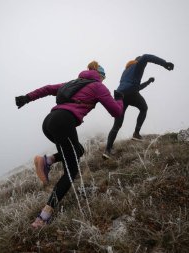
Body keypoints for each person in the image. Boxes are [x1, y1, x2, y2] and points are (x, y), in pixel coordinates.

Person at [15, 61, 123, 229]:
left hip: (49, 122)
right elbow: (116, 112)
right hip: (64, 122)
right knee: (71, 171)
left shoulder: (72, 83)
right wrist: (119, 100)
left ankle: (48, 160)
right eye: (104, 76)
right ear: (100, 75)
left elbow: (48, 88)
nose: (104, 79)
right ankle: (42, 218)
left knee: (78, 150)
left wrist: (26, 98)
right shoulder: (98, 86)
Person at [103, 54, 174, 159]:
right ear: (138, 60)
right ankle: (136, 133)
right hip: (131, 93)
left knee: (117, 125)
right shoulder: (138, 65)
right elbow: (146, 57)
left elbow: (136, 86)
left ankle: (107, 150)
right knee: (144, 108)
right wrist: (164, 63)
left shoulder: (126, 70)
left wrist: (148, 82)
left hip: (120, 95)